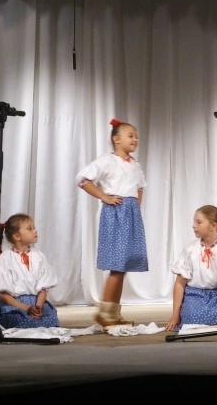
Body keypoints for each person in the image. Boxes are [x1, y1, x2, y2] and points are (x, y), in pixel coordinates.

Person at [76, 118, 148, 327]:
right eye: (130, 136)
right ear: (116, 139)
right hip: (116, 214)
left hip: (131, 214)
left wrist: (135, 204)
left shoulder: (135, 165)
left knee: (123, 266)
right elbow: (83, 179)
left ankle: (113, 313)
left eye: (136, 136)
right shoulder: (107, 161)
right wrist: (104, 197)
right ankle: (105, 314)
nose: (135, 139)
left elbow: (140, 186)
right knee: (117, 266)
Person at [0, 213, 59, 328]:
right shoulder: (5, 258)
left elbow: (43, 289)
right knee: (17, 319)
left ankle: (36, 320)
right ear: (17, 236)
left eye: (34, 227)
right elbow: (4, 295)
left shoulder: (39, 256)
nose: (35, 231)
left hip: (36, 302)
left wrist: (38, 306)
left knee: (51, 319)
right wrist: (27, 308)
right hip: (16, 304)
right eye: (30, 229)